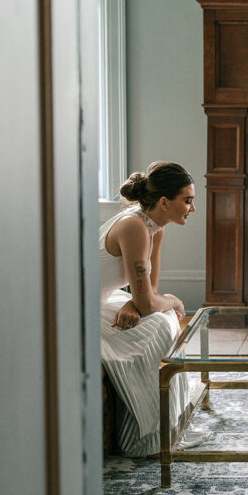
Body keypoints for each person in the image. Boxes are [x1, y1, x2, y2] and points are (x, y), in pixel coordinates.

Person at [100, 161, 199, 456]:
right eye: (188, 200)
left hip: (106, 298)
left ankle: (164, 426)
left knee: (162, 318)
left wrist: (139, 302)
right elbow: (152, 300)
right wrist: (173, 300)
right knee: (161, 323)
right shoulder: (133, 226)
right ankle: (144, 439)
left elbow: (147, 295)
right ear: (165, 202)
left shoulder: (155, 226)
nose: (192, 208)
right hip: (75, 310)